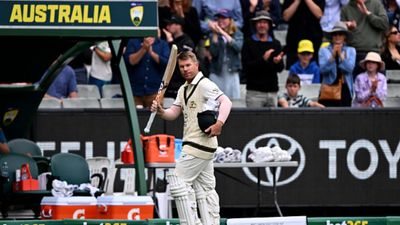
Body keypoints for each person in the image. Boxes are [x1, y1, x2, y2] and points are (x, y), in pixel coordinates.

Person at [150, 51, 232, 225]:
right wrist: (161, 111)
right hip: (202, 146)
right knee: (206, 189)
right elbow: (173, 113)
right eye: (182, 66)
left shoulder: (205, 85)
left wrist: (219, 123)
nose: (185, 69)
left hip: (198, 144)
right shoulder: (183, 89)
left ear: (196, 65)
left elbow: (226, 102)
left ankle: (191, 223)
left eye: (188, 65)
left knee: (178, 183)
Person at [241, 10, 285, 107]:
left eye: (265, 22)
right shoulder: (248, 43)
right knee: (254, 122)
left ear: (269, 25)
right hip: (254, 92)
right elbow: (246, 67)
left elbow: (280, 68)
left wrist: (277, 62)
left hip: (272, 92)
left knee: (273, 122)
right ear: (255, 25)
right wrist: (263, 59)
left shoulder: (275, 44)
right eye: (259, 22)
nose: (262, 25)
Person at [341, 0, 389, 77]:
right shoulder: (346, 8)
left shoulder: (376, 4)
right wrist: (346, 27)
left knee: (377, 87)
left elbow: (384, 24)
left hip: (373, 53)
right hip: (353, 54)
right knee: (355, 87)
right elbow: (339, 35)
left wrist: (368, 13)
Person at [124, 36, 170, 108]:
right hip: (135, 91)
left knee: (155, 117)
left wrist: (151, 52)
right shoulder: (133, 42)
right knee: (135, 117)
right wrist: (143, 49)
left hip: (155, 91)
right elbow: (131, 61)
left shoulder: (162, 44)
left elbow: (166, 63)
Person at [318, 21, 356, 106]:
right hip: (328, 89)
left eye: (340, 34)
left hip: (345, 90)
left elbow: (349, 69)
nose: (337, 36)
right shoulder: (323, 50)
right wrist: (333, 56)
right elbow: (323, 70)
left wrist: (341, 56)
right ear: (332, 36)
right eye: (335, 34)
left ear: (344, 36)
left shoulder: (351, 50)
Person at [209, 9, 243, 99]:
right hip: (217, 71)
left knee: (233, 101)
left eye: (224, 18)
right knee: (215, 101)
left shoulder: (237, 33)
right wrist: (215, 35)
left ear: (230, 19)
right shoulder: (213, 35)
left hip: (231, 71)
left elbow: (238, 47)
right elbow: (213, 53)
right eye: (219, 18)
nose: (221, 21)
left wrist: (223, 33)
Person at [282, 0, 325, 69]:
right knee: (294, 73)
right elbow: (286, 17)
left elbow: (319, 15)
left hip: (313, 38)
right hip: (294, 40)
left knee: (314, 70)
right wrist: (297, 1)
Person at [163, 15, 196, 98]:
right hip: (170, 83)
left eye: (170, 24)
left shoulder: (187, 41)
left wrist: (171, 42)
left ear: (178, 25)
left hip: (182, 82)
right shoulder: (166, 40)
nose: (167, 27)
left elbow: (184, 57)